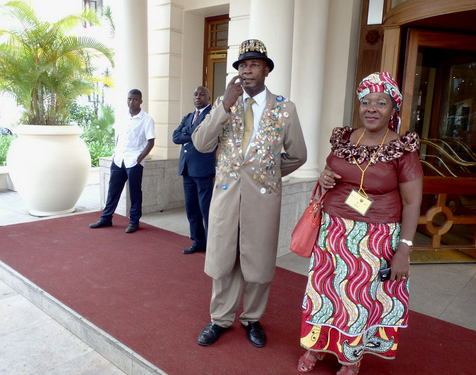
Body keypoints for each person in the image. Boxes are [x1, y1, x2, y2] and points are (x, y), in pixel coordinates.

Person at [297, 72, 423, 374]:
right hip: (333, 234)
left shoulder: (401, 149)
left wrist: (403, 250)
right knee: (324, 294)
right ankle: (316, 345)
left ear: (393, 109)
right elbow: (330, 170)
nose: (371, 108)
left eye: (381, 102)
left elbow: (413, 202)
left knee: (357, 301)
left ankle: (350, 359)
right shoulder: (345, 138)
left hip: (375, 239)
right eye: (366, 102)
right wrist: (324, 177)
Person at [192, 39, 307, 348]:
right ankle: (220, 319)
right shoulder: (224, 104)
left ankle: (252, 318)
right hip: (227, 197)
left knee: (257, 259)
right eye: (242, 65)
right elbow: (201, 143)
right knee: (224, 257)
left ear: (266, 70)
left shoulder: (285, 109)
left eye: (254, 64)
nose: (247, 70)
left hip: (263, 199)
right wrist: (223, 106)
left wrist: (264, 176)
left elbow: (298, 155)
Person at [89, 89, 155, 234]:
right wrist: (116, 153)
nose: (132, 102)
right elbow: (118, 136)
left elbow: (151, 142)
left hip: (134, 161)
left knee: (135, 192)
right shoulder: (122, 116)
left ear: (141, 101)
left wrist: (140, 159)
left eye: (135, 99)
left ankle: (134, 221)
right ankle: (106, 218)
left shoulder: (147, 119)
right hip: (119, 160)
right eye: (129, 99)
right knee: (113, 190)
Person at [172, 86, 216, 254]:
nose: (198, 96)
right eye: (195, 94)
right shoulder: (189, 116)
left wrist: (187, 130)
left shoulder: (210, 115)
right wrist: (192, 132)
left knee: (207, 210)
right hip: (187, 168)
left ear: (208, 98)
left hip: (203, 169)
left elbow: (204, 133)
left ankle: (213, 245)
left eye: (202, 94)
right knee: (191, 208)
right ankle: (198, 241)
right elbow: (175, 137)